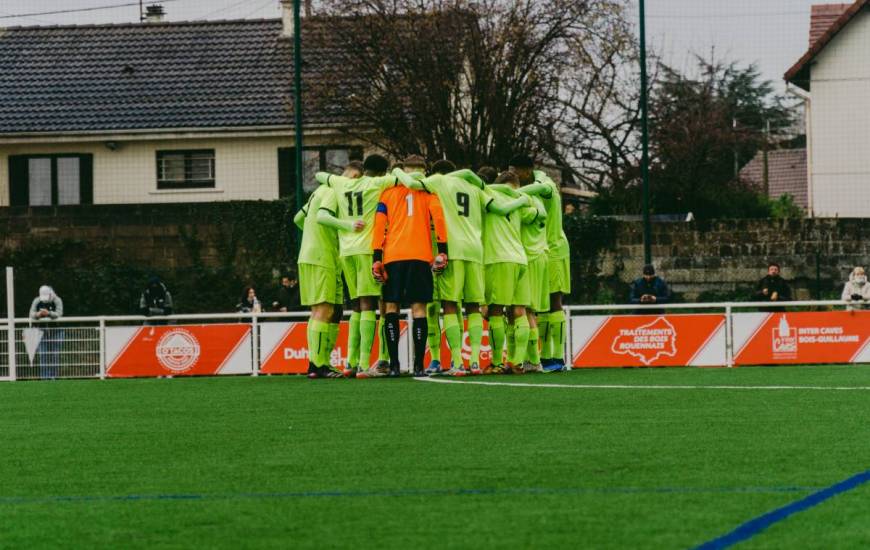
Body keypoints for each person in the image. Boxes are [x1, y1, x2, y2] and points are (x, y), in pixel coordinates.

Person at [393, 159, 530, 376]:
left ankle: (457, 363)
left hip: (452, 251)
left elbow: (411, 183)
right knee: (474, 306)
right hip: (476, 252)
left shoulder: (440, 181)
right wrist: (521, 198)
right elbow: (500, 208)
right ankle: (474, 362)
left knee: (448, 305)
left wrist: (397, 169)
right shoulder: (474, 187)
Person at [316, 155, 399, 378]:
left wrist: (340, 177)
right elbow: (399, 178)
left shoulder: (342, 183)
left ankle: (350, 363)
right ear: (382, 172)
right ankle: (364, 364)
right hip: (366, 250)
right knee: (370, 305)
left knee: (356, 307)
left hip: (346, 251)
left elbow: (319, 175)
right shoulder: (377, 183)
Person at [371, 167, 448, 377]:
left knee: (391, 307)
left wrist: (376, 258)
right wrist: (443, 251)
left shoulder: (387, 193)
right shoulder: (429, 192)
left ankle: (394, 366)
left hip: (393, 255)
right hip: (420, 255)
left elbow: (379, 225)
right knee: (419, 309)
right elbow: (439, 219)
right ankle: (418, 366)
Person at [296, 161, 363, 379]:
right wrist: (348, 226)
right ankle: (317, 366)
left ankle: (319, 363)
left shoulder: (318, 191)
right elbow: (323, 217)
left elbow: (298, 218)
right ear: (353, 176)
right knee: (323, 310)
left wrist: (313, 236)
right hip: (321, 257)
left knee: (332, 311)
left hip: (315, 254)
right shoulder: (335, 190)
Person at [513, 156, 571, 372]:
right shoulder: (532, 187)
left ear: (526, 171)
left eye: (516, 172)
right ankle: (545, 357)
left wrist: (509, 193)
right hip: (541, 251)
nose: (516, 177)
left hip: (555, 249)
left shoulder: (544, 183)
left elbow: (544, 188)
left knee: (555, 301)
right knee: (541, 306)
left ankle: (557, 357)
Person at [483, 171, 535, 374]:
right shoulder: (521, 203)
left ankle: (496, 363)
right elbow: (538, 214)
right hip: (521, 259)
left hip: (500, 258)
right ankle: (517, 362)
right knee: (519, 311)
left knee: (495, 311)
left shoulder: (489, 196)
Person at [29, 285, 64, 379]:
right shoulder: (37, 300)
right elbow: (31, 314)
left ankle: (54, 377)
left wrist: (48, 313)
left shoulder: (57, 300)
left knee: (55, 355)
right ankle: (44, 377)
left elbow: (59, 313)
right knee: (43, 355)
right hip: (41, 331)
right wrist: (38, 314)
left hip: (56, 331)